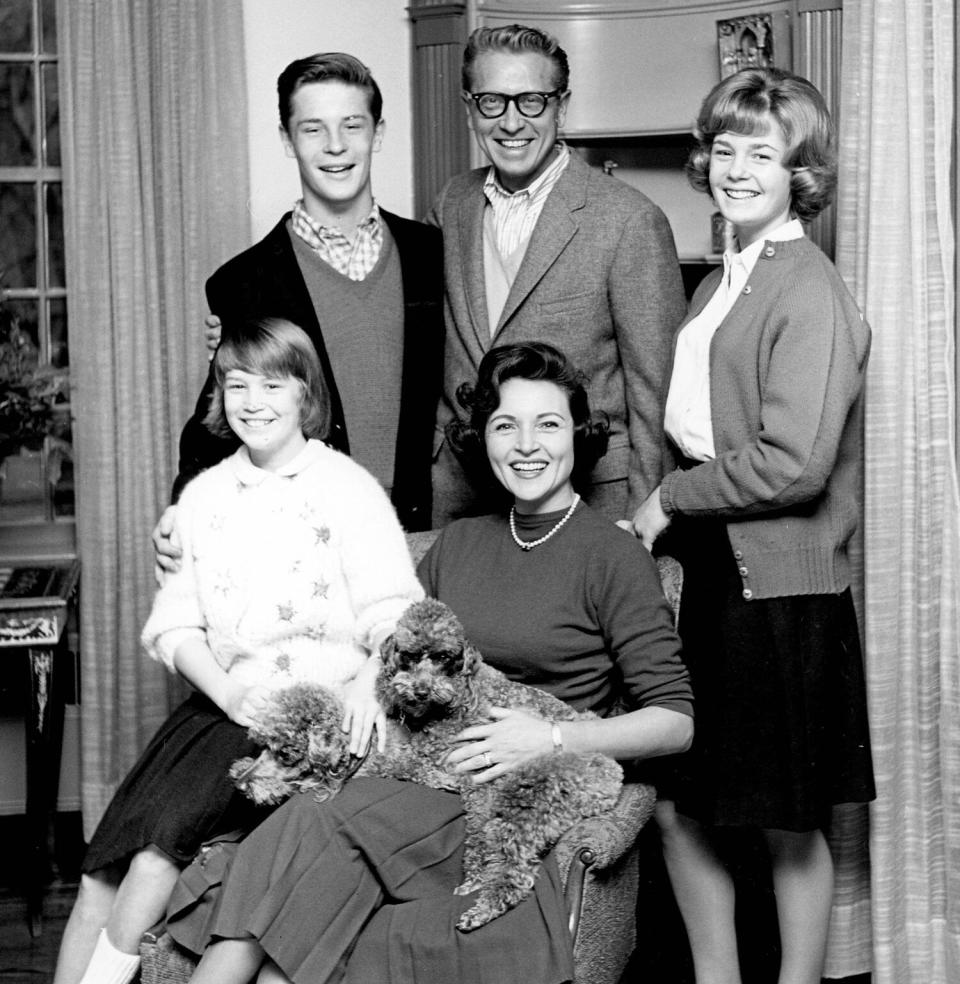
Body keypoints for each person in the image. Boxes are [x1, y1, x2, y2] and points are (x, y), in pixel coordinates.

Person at [163, 341, 694, 984]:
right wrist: (194, 540)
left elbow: (675, 722)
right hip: (406, 775)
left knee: (318, 830)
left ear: (578, 436)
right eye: (505, 424)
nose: (527, 444)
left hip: (485, 802)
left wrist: (550, 735)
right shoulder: (459, 543)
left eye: (547, 424)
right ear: (484, 439)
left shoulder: (613, 557)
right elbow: (388, 643)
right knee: (307, 873)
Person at [52, 318, 423, 984]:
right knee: (95, 881)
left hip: (308, 725)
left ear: (306, 395)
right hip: (216, 713)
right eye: (237, 384)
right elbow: (175, 626)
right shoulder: (205, 495)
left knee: (152, 864)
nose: (252, 401)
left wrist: (370, 681)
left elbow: (395, 613)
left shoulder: (349, 490)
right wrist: (227, 694)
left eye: (272, 384)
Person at [631, 68, 875, 984]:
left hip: (777, 586)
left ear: (799, 171)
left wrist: (667, 502)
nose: (735, 167)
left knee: (784, 814)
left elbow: (793, 462)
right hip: (713, 572)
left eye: (760, 152)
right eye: (724, 148)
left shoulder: (806, 285)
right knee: (682, 803)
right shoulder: (725, 279)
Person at [155, 52, 443, 574]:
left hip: (426, 535)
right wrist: (184, 509)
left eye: (352, 125)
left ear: (377, 133)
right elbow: (219, 422)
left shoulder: (432, 254)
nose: (335, 146)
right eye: (313, 129)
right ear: (288, 140)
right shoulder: (243, 283)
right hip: (306, 545)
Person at [428, 24, 687, 529]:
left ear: (561, 107)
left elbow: (657, 390)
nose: (510, 122)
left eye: (531, 102)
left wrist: (643, 516)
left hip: (592, 501)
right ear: (468, 108)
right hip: (465, 495)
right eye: (491, 102)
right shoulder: (449, 204)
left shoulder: (629, 219)